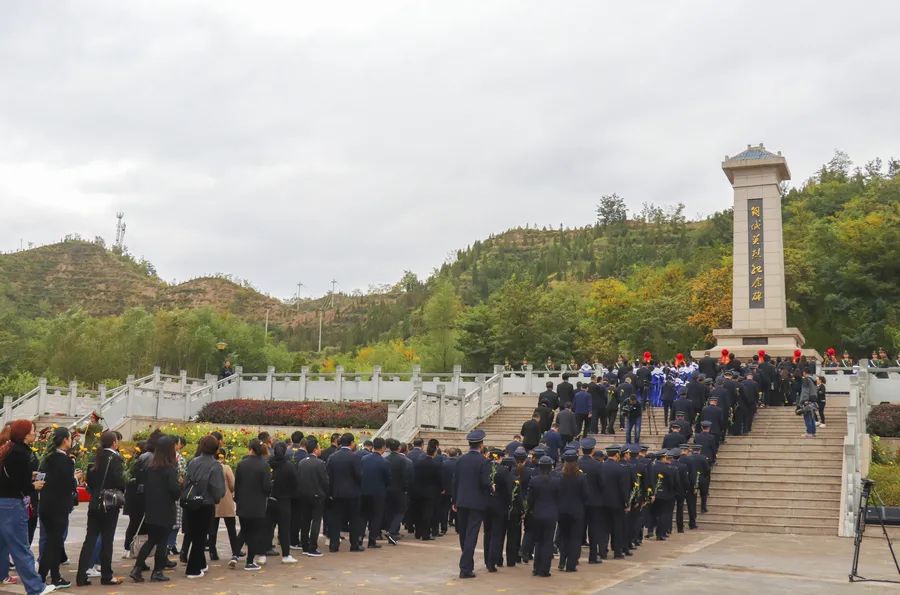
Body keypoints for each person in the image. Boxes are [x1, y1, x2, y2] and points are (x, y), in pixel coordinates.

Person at [0, 420, 55, 595]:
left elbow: (10, 476)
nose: (35, 433)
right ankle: (35, 587)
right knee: (20, 548)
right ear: (24, 434)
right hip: (12, 504)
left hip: (3, 502)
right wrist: (34, 486)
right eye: (32, 430)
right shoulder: (20, 453)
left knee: (3, 545)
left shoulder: (8, 449)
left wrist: (27, 476)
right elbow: (19, 483)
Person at [76, 430, 125, 587]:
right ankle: (106, 575)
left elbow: (89, 481)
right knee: (107, 540)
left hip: (95, 502)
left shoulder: (94, 457)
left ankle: (81, 575)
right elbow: (119, 480)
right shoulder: (115, 458)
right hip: (109, 504)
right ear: (114, 443)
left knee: (89, 539)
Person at [129, 436, 179, 583]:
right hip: (165, 509)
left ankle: (137, 568)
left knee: (151, 540)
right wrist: (180, 486)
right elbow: (174, 491)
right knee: (162, 541)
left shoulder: (151, 467)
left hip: (151, 508)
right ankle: (157, 571)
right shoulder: (170, 469)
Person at [37, 427, 79, 589]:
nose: (71, 441)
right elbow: (68, 484)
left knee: (53, 541)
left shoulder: (47, 458)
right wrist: (75, 479)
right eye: (70, 438)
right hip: (59, 506)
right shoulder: (66, 461)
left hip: (46, 505)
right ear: (64, 440)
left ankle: (55, 576)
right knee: (53, 543)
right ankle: (41, 577)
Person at [181, 435, 225, 578]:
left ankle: (201, 564)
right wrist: (216, 498)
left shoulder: (193, 461)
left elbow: (186, 480)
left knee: (195, 534)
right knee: (201, 536)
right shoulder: (215, 465)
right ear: (216, 448)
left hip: (191, 501)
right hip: (206, 503)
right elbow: (218, 489)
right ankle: (192, 569)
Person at [452, 429, 491, 579]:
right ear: (481, 445)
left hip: (462, 501)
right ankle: (465, 567)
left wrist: (454, 500)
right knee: (471, 535)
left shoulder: (460, 460)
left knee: (464, 534)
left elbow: (455, 481)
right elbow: (485, 483)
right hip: (476, 503)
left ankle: (467, 565)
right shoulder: (484, 461)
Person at [233, 439, 272, 570]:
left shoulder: (241, 464)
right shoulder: (264, 465)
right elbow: (267, 487)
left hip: (242, 503)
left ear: (250, 449)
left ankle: (235, 555)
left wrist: (237, 499)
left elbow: (236, 485)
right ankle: (249, 562)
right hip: (258, 504)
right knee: (255, 532)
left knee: (244, 530)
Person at [325, 433, 363, 552]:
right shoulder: (354, 457)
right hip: (352, 494)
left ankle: (334, 545)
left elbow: (328, 476)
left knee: (335, 520)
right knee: (354, 520)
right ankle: (354, 545)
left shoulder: (332, 457)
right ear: (351, 443)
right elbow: (359, 476)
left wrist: (330, 492)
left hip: (336, 493)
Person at [525, 456, 558, 578]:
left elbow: (530, 499)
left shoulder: (534, 480)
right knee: (548, 542)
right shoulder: (556, 481)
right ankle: (545, 569)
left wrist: (531, 510)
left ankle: (536, 568)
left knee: (538, 541)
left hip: (537, 514)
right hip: (551, 514)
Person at [296, 436, 328, 555]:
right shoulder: (320, 463)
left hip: (303, 495)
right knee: (316, 521)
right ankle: (312, 547)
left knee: (305, 521)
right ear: (315, 449)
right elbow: (325, 481)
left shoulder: (302, 462)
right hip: (317, 496)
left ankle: (304, 545)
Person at [557, 450, 587, 573]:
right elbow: (585, 495)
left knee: (563, 536)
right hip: (576, 510)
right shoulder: (581, 477)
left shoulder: (559, 475)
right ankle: (571, 564)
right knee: (575, 538)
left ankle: (562, 561)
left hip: (562, 510)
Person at [268, 442, 298, 563]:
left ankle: (263, 553)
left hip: (270, 499)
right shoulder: (289, 466)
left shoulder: (269, 464)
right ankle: (286, 555)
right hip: (284, 500)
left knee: (268, 526)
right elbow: (295, 483)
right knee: (284, 528)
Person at [577, 437, 604, 566]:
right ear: (593, 450)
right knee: (594, 530)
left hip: (579, 501)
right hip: (594, 501)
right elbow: (602, 484)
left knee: (578, 529)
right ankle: (593, 556)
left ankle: (574, 556)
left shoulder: (576, 463)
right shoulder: (598, 465)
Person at [209, 450, 239, 561]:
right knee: (231, 528)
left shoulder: (210, 467)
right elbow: (232, 484)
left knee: (213, 528)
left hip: (213, 501)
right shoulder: (226, 468)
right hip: (226, 500)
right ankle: (235, 551)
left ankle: (212, 551)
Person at [360, 437, 390, 549]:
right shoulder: (384, 462)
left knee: (362, 516)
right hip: (378, 493)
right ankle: (372, 540)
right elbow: (388, 479)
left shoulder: (364, 459)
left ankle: (359, 538)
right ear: (383, 447)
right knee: (376, 517)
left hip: (364, 491)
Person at [798, 370, 818, 438]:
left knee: (807, 417)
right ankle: (813, 432)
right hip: (813, 400)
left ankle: (809, 432)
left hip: (807, 400)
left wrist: (804, 400)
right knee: (812, 417)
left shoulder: (806, 380)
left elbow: (805, 390)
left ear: (804, 372)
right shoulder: (813, 380)